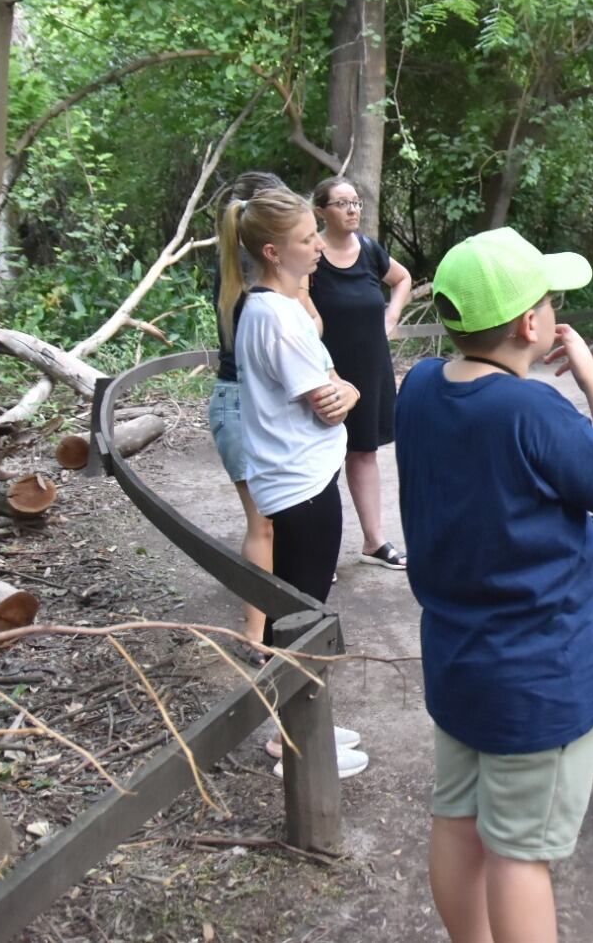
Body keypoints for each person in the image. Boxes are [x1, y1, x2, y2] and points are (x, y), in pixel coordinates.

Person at [395, 227, 593, 943]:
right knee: (519, 854)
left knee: (458, 819)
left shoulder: (417, 387)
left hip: (457, 658)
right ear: (532, 324)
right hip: (539, 675)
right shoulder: (531, 410)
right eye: (548, 298)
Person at [218, 185, 370, 779]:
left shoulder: (267, 308)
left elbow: (333, 380)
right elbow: (329, 401)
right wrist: (350, 391)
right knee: (302, 616)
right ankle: (293, 742)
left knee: (299, 609)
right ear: (274, 252)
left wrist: (346, 386)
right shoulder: (278, 318)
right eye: (307, 239)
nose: (317, 247)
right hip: (301, 484)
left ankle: (303, 719)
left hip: (299, 476)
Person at [208, 171, 309, 659]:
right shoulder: (246, 281)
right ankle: (256, 634)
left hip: (252, 402)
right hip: (238, 401)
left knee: (273, 524)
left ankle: (268, 624)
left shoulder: (262, 277)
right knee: (262, 524)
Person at [309, 175, 413, 571]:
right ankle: (316, 556)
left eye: (356, 203)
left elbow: (401, 279)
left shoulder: (370, 250)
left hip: (370, 368)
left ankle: (374, 541)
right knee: (322, 459)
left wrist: (391, 316)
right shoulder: (311, 253)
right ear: (321, 211)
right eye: (342, 203)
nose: (353, 210)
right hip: (325, 371)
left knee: (364, 453)